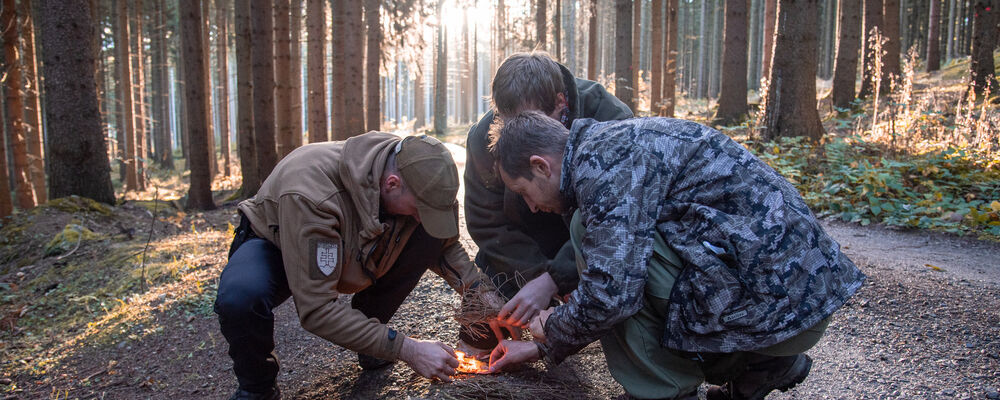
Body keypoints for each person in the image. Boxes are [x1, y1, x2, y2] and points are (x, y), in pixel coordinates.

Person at [485, 112, 866, 400]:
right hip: (799, 302)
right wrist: (543, 346)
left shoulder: (604, 167)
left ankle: (664, 392)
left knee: (590, 237)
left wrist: (552, 328)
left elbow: (613, 295)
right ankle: (760, 364)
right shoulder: (612, 144)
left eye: (523, 192)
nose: (530, 207)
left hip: (782, 310)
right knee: (624, 253)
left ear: (540, 166)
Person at [214, 132, 497, 400]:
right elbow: (317, 310)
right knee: (240, 298)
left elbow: (443, 243)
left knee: (427, 232)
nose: (422, 218)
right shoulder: (312, 194)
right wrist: (406, 348)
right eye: (420, 210)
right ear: (392, 184)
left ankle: (372, 338)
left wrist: (480, 293)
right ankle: (258, 388)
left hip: (352, 247)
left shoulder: (420, 172)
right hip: (275, 244)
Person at [462, 51, 633, 351]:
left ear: (560, 103)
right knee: (481, 333)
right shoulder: (485, 136)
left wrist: (559, 278)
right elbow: (487, 221)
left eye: (532, 122)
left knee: (619, 299)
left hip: (589, 233)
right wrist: (536, 278)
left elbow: (622, 218)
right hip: (530, 241)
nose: (519, 136)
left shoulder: (609, 117)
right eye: (509, 123)